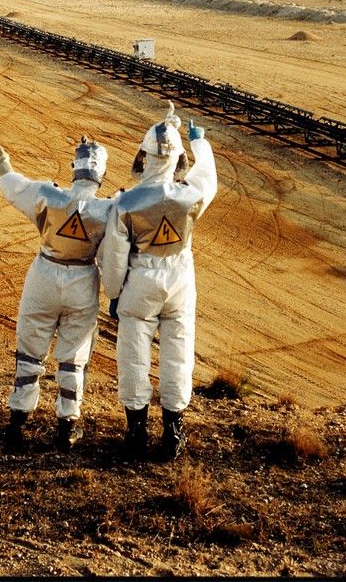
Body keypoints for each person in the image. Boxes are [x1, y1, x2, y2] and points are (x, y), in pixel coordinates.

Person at [98, 102, 218, 461]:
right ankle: (173, 429)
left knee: (133, 353)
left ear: (144, 155)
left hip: (141, 283)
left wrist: (114, 294)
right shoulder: (189, 195)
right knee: (178, 350)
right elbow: (208, 178)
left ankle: (136, 430)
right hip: (180, 282)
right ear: (178, 158)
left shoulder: (126, 203)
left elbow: (114, 257)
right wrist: (200, 143)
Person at [0, 135, 113, 451]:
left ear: (74, 168)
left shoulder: (47, 195)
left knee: (30, 349)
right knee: (74, 355)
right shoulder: (109, 209)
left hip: (44, 275)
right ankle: (67, 427)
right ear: (101, 174)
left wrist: (3, 161)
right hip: (83, 280)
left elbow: (12, 185)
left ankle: (18, 422)